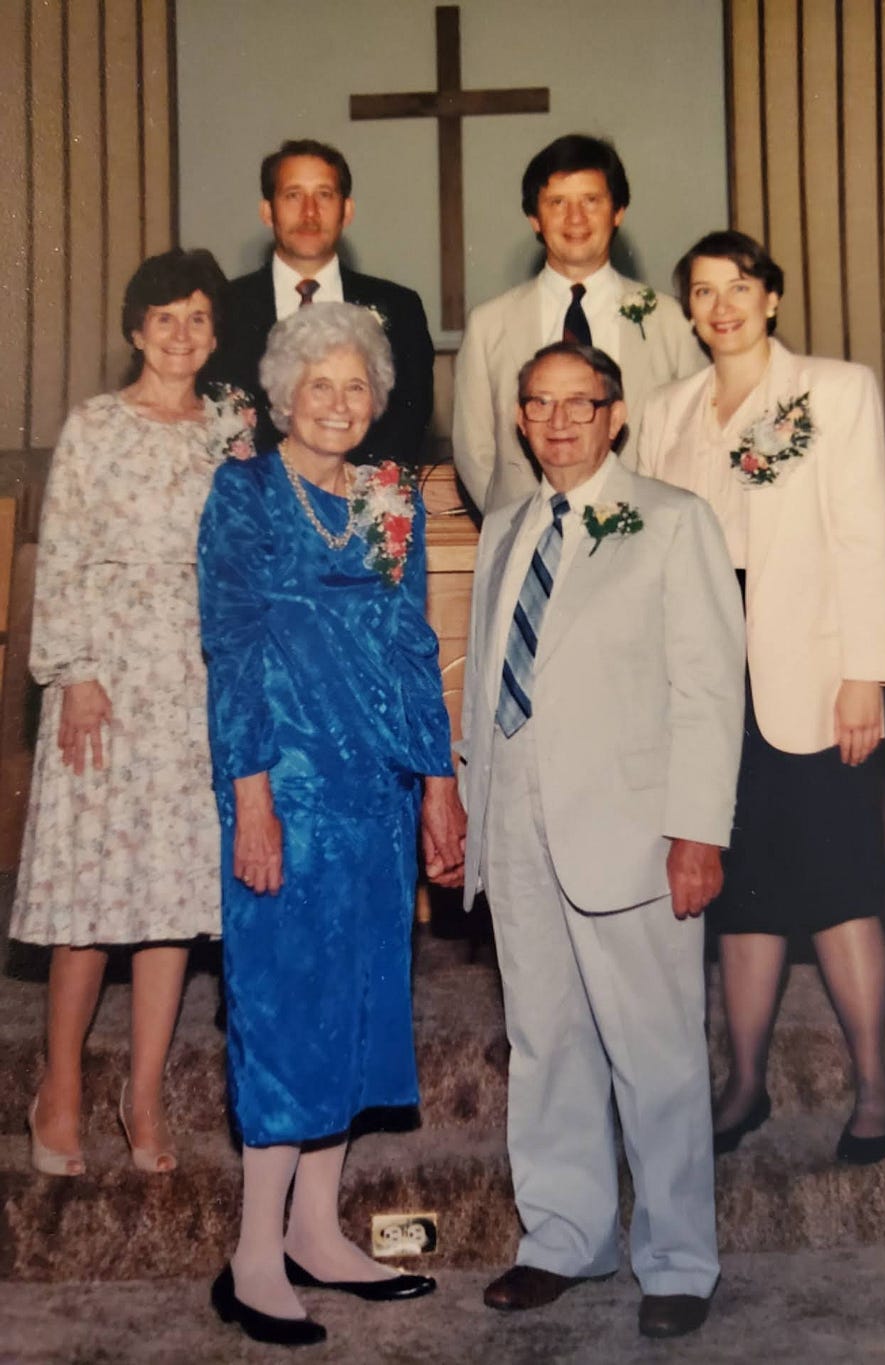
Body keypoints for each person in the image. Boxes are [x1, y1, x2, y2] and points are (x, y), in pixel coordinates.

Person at [458, 342, 745, 1339]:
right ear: (521, 418)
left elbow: (709, 690)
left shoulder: (673, 522)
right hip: (516, 819)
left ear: (615, 415)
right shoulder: (504, 527)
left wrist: (696, 831)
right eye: (538, 403)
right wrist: (468, 804)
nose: (559, 420)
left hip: (632, 828)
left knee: (655, 1052)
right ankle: (561, 1238)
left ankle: (676, 1259)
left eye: (580, 403)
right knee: (545, 1043)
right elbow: (484, 681)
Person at [198, 302, 466, 1349]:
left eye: (358, 387)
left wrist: (437, 784)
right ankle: (252, 1255)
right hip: (287, 789)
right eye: (322, 386)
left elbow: (411, 646)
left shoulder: (391, 499)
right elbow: (231, 646)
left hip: (376, 794)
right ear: (283, 398)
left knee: (359, 999)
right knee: (284, 1004)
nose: (341, 404)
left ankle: (317, 1229)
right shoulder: (244, 493)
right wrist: (252, 796)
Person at [632, 229, 885, 1164]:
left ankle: (876, 1080)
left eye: (739, 286)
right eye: (703, 291)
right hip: (703, 672)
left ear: (772, 297)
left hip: (810, 670)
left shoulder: (834, 390)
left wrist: (864, 671)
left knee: (835, 883)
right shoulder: (665, 410)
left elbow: (865, 536)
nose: (723, 306)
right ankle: (743, 1081)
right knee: (738, 887)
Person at [11, 248, 255, 1178]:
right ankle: (60, 1085)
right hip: (108, 680)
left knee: (172, 902)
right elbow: (62, 550)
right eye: (164, 319)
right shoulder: (94, 426)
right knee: (88, 899)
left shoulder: (228, 430)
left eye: (197, 318)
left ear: (213, 332)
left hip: (194, 681)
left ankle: (142, 1092)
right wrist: (73, 673)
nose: (181, 335)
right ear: (133, 331)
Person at [452, 133, 705, 514]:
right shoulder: (489, 324)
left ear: (618, 211)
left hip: (643, 531)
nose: (576, 218)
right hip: (529, 534)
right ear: (535, 219)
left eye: (591, 200)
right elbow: (475, 451)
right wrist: (516, 525)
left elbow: (693, 439)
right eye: (557, 203)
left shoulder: (670, 320)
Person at [211, 137, 434, 462]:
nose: (310, 213)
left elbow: (409, 422)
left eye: (324, 195)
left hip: (359, 501)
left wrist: (351, 493)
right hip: (254, 502)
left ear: (347, 211)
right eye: (293, 196)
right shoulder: (224, 307)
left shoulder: (400, 307)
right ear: (266, 211)